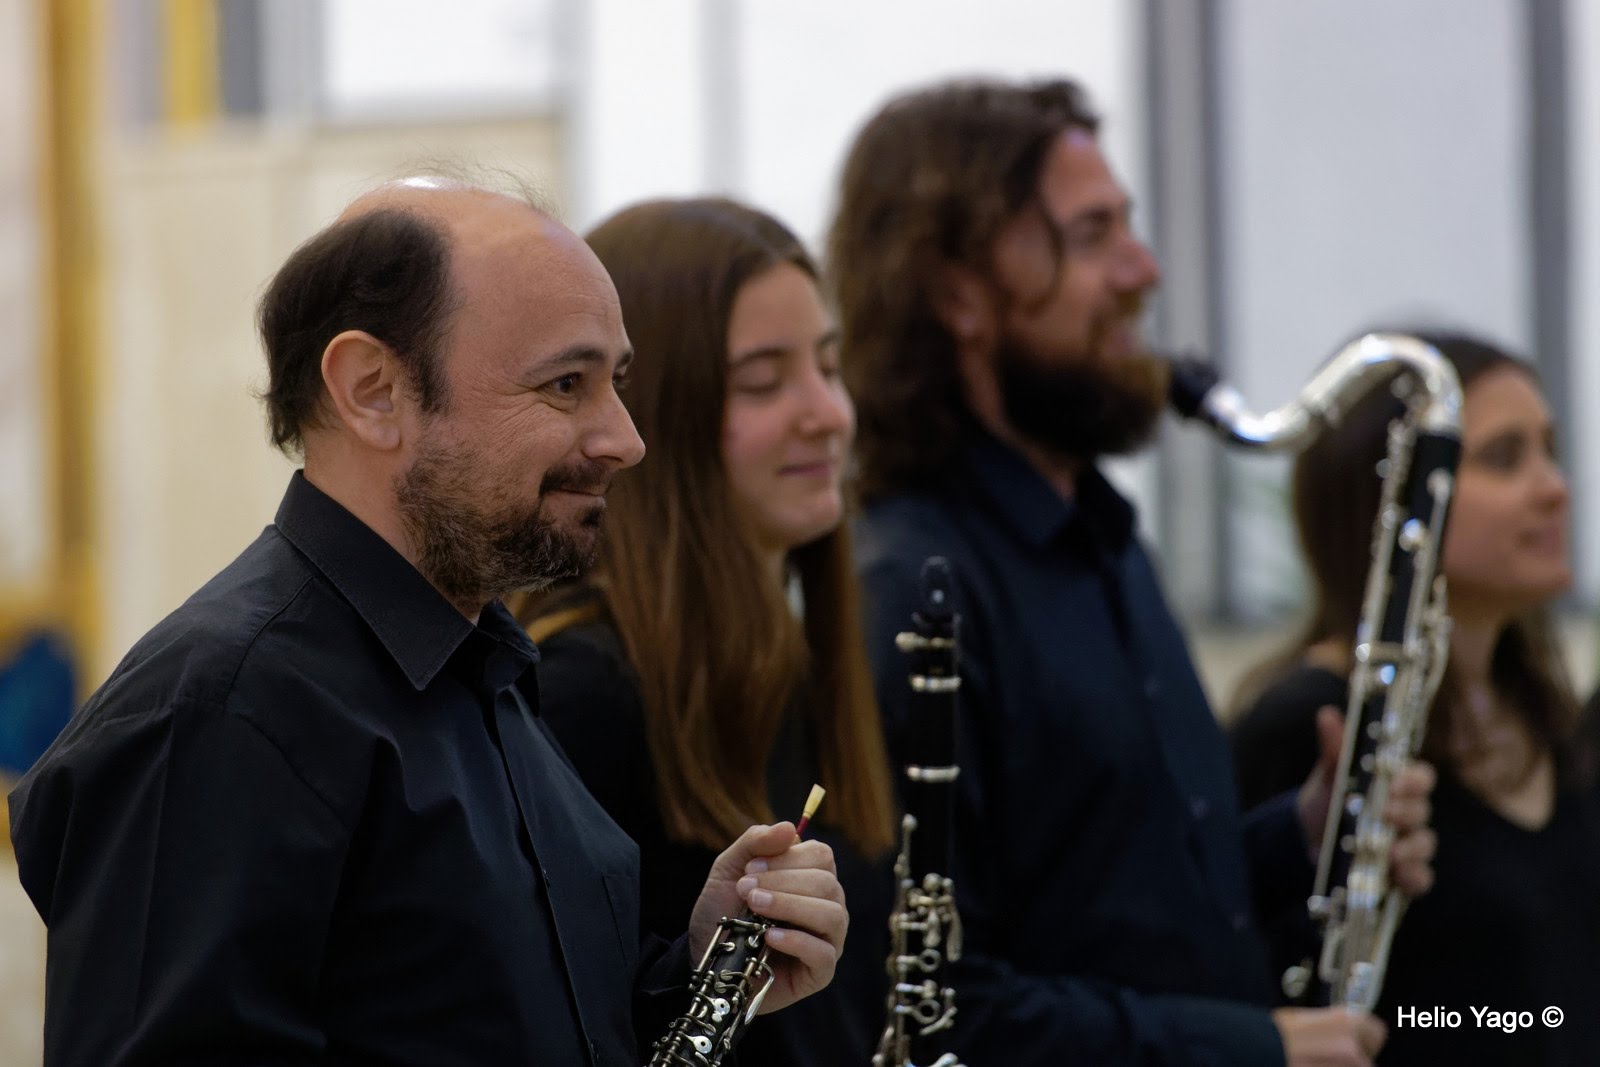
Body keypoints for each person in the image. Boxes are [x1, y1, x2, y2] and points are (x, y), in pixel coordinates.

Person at [6, 178, 848, 1066]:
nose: (625, 438)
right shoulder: (225, 710)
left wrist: (704, 972)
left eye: (617, 383)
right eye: (567, 383)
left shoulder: (478, 667)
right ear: (374, 390)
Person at [829, 77, 1436, 1067]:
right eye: (1091, 232)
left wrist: (1301, 833)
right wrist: (1252, 1048)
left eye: (1130, 226)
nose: (1141, 268)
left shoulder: (1106, 537)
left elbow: (1109, 904)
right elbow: (935, 1012)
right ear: (954, 294)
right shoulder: (911, 591)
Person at [511, 196, 896, 1066]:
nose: (828, 413)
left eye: (828, 367)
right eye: (763, 381)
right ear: (648, 424)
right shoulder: (583, 694)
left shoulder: (794, 661)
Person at [1230, 330, 1600, 1065]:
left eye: (1549, 450)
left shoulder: (1546, 717)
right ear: (1398, 493)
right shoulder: (1312, 719)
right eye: (1503, 457)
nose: (1554, 487)